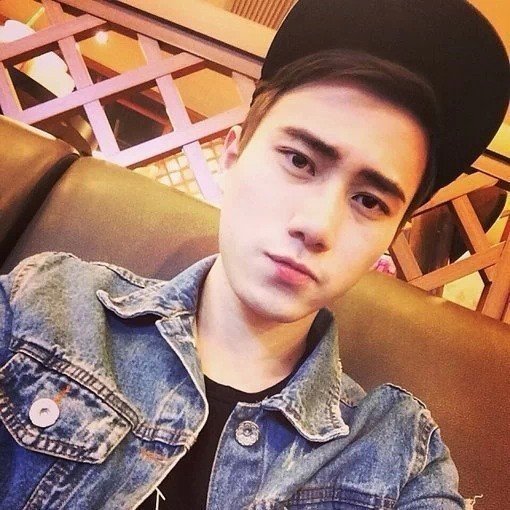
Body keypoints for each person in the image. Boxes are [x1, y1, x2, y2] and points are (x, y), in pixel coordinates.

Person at [0, 0, 508, 509]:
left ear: (394, 231)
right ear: (233, 154)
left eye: (369, 201)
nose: (317, 226)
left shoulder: (400, 459)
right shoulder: (49, 304)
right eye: (299, 161)